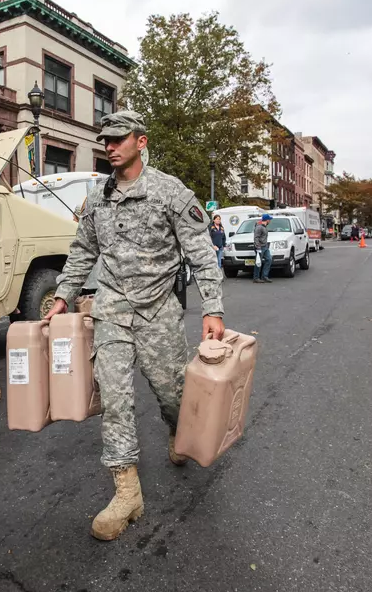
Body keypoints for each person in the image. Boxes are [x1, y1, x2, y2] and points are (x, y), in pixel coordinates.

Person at [42, 111, 224, 541]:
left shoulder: (170, 192)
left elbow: (200, 252)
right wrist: (64, 294)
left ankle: (179, 434)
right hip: (111, 312)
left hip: (158, 312)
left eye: (118, 139)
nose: (109, 146)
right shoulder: (97, 197)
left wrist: (213, 307)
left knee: (174, 395)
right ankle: (127, 492)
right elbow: (83, 250)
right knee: (116, 399)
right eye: (105, 139)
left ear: (140, 142)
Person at [252, 214, 273, 282]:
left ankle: (264, 276)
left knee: (269, 259)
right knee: (258, 262)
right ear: (267, 220)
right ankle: (256, 278)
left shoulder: (264, 226)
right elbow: (256, 238)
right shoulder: (259, 227)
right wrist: (258, 247)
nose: (270, 221)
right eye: (269, 219)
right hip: (260, 247)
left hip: (265, 246)